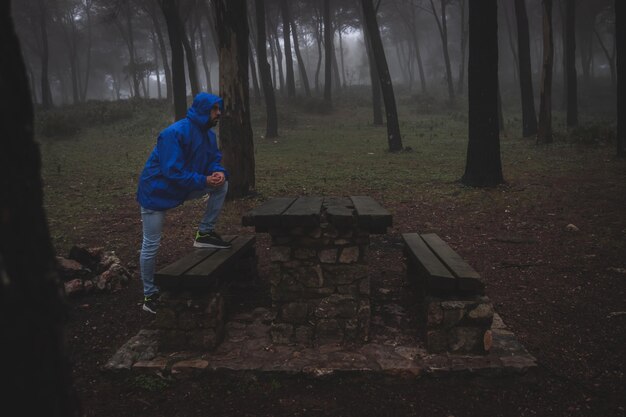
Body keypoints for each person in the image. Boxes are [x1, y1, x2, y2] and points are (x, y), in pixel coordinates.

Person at [136, 92, 231, 314]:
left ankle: (204, 234)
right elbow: (172, 172)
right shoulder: (174, 133)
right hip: (156, 193)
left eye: (219, 109)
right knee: (151, 244)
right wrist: (203, 180)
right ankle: (149, 296)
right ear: (203, 111)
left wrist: (217, 173)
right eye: (215, 109)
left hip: (181, 188)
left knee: (222, 185)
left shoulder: (208, 136)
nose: (219, 113)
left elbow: (213, 160)